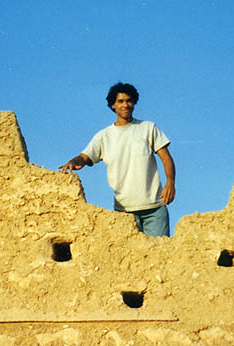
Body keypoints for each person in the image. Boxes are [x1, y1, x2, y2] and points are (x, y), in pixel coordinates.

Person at [59, 82, 176, 237]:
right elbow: (84, 156)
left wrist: (170, 182)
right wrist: (73, 162)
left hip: (154, 208)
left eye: (129, 100)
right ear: (113, 105)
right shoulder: (104, 136)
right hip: (124, 212)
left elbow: (165, 157)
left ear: (134, 103)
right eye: (120, 101)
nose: (125, 105)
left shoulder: (148, 128)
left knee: (159, 256)